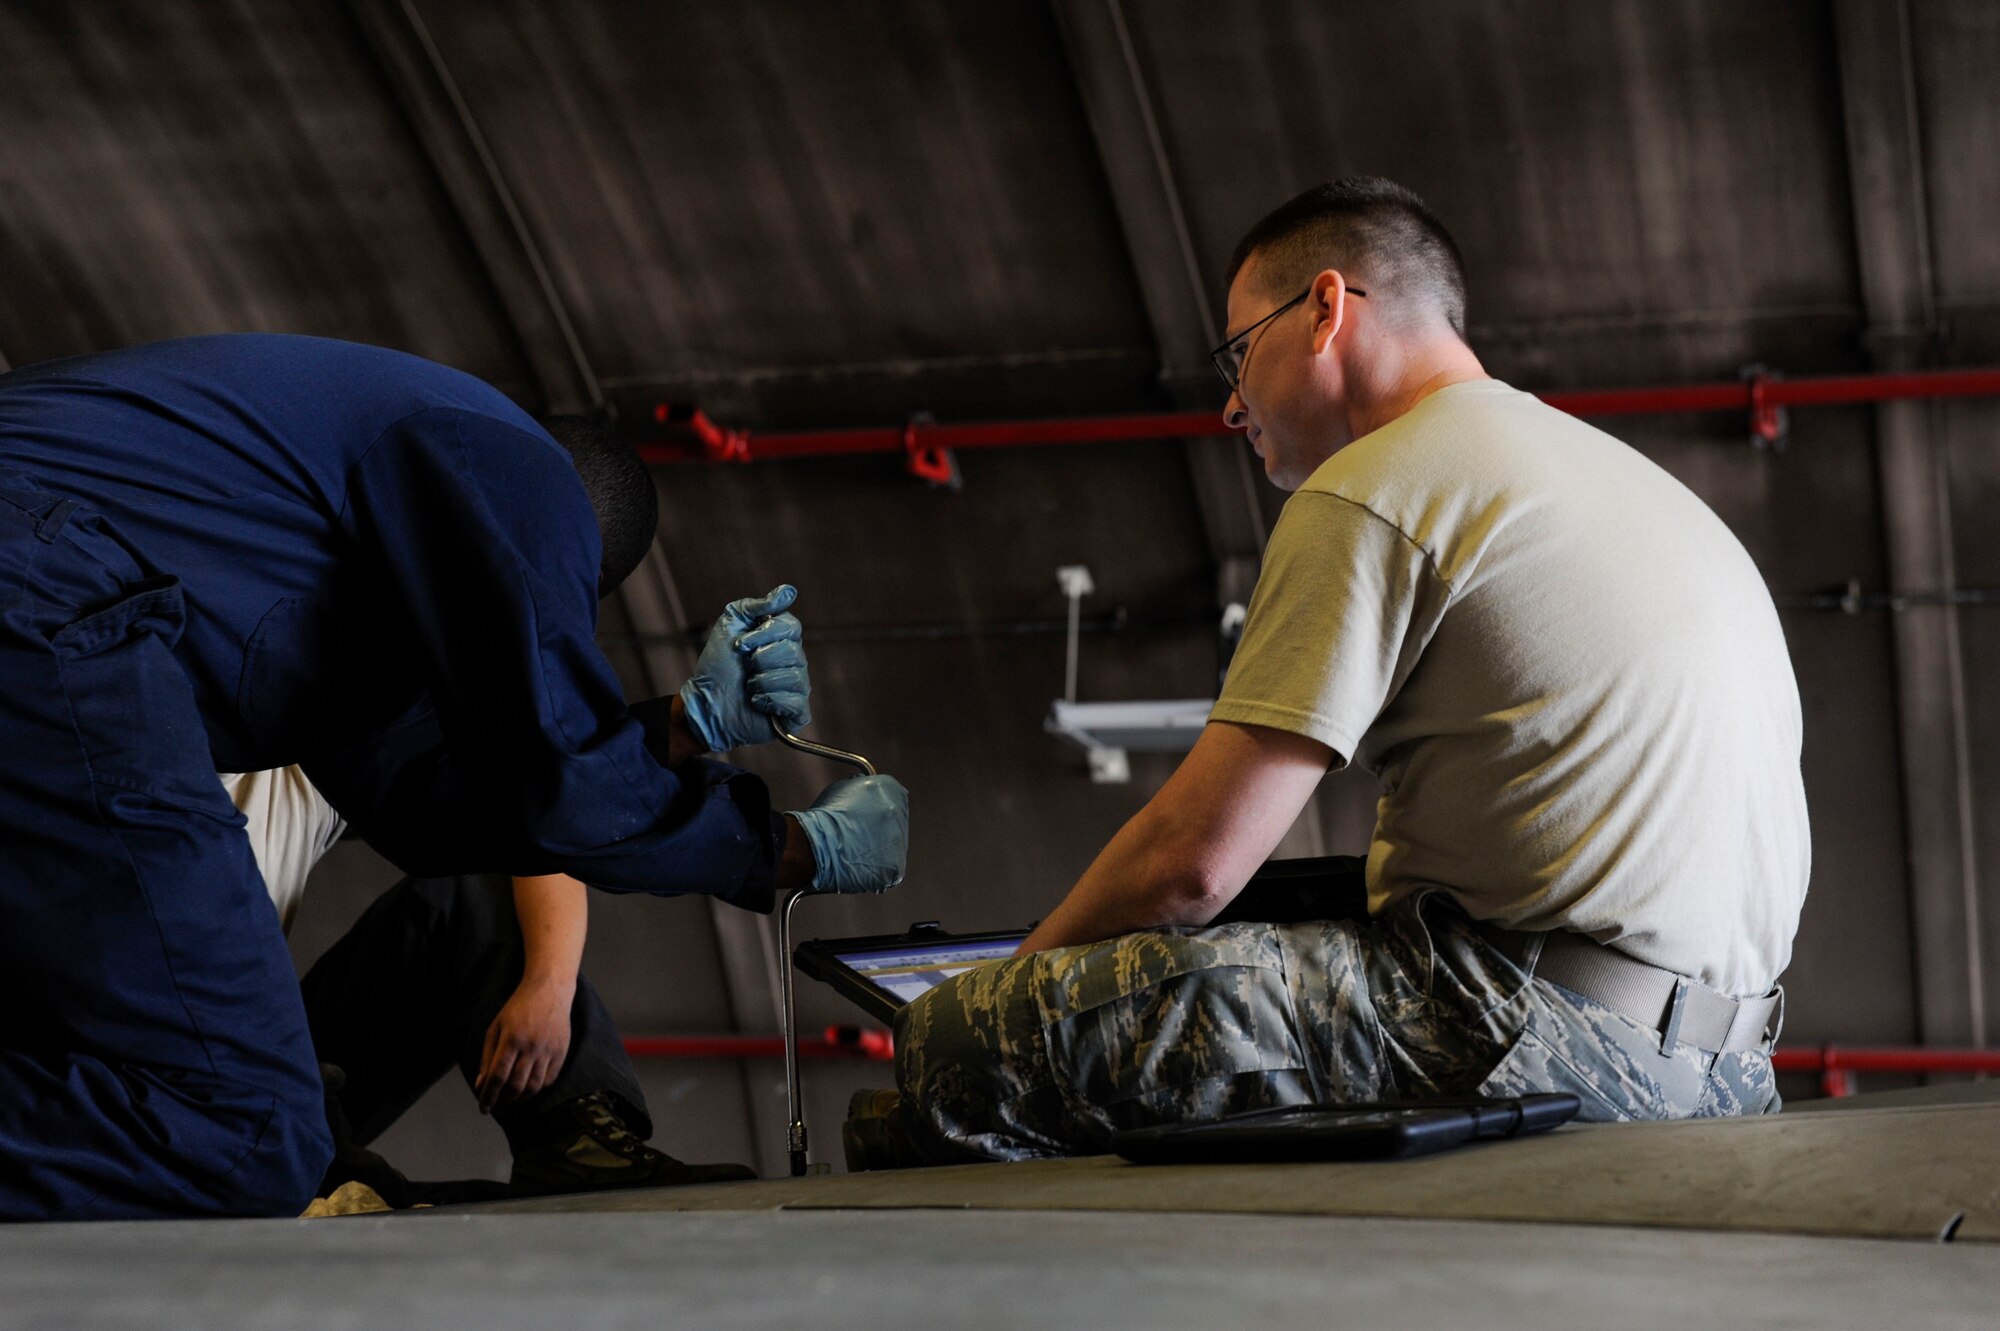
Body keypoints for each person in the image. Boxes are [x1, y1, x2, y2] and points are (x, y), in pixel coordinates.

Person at [850, 177, 1806, 1167]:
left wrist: (1007, 983)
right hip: (1733, 1066)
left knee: (961, 1042)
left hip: (1534, 1029)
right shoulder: (1625, 480)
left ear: (1323, 307)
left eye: (1235, 355)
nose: (1232, 403)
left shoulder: (1378, 480)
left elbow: (1191, 861)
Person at [0, 334, 908, 1219]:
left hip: (39, 587)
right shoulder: (517, 475)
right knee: (248, 1122)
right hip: (45, 591)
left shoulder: (332, 528)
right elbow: (561, 780)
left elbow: (436, 799)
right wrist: (789, 847)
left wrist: (678, 726)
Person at [226, 767, 743, 1203]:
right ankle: (304, 1161)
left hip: (266, 1067)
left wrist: (549, 986)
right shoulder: (162, 764)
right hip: (181, 1085)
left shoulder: (303, 754)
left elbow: (525, 823)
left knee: (462, 890)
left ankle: (574, 1144)